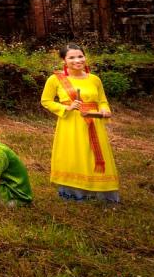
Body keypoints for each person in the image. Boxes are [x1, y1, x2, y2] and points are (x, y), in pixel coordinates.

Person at [41, 44, 120, 203]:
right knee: (74, 155)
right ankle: (74, 194)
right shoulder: (55, 79)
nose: (77, 60)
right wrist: (66, 107)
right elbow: (46, 101)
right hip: (70, 124)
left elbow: (102, 101)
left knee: (93, 155)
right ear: (64, 60)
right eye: (71, 57)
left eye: (80, 56)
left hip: (94, 124)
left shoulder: (94, 79)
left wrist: (105, 110)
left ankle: (101, 195)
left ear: (85, 57)